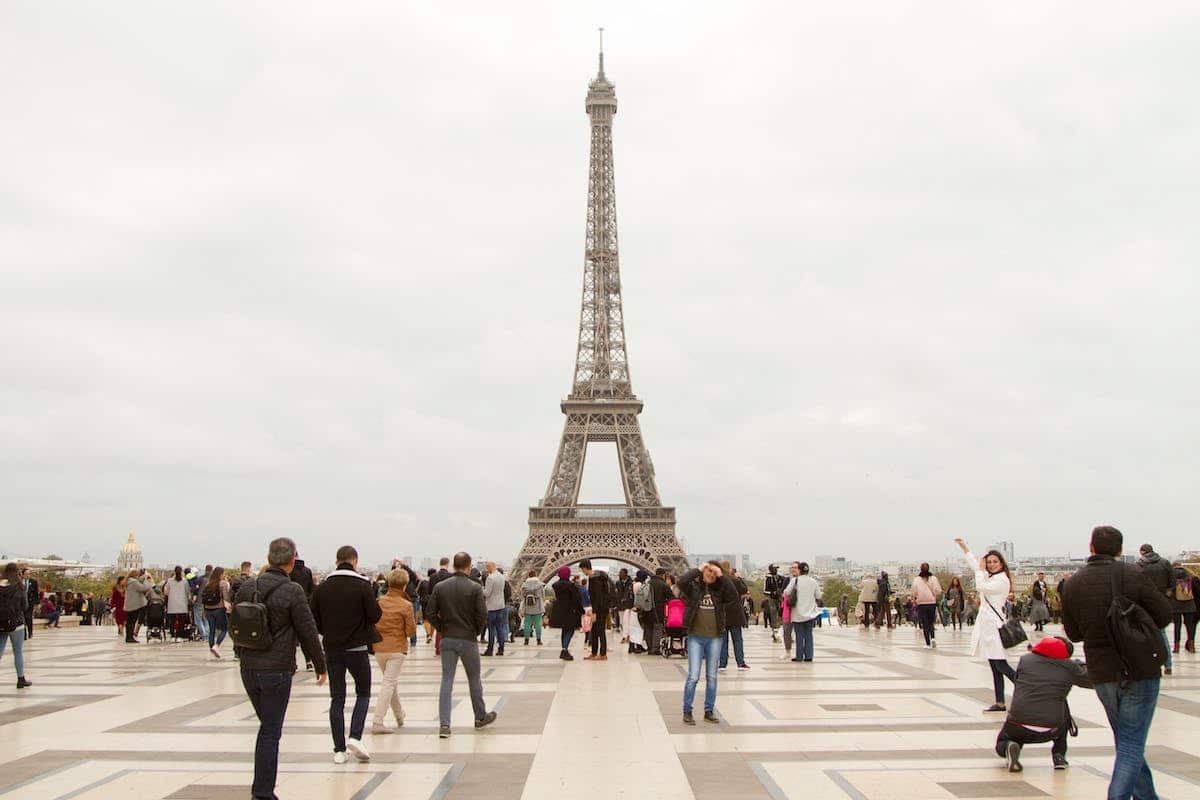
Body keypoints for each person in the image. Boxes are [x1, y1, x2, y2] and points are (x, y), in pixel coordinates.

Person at [1061, 526, 1172, 800]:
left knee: (1127, 742)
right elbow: (1164, 615)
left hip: (1102, 672)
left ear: (1091, 547)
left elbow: (1073, 634)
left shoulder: (1073, 583)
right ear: (1120, 550)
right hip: (1140, 668)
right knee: (1132, 744)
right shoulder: (1133, 574)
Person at [235, 537, 327, 800]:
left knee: (267, 727)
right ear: (292, 560)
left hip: (249, 667)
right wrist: (319, 664)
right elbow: (307, 631)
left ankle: (262, 788)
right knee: (270, 731)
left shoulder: (248, 587)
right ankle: (263, 792)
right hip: (276, 669)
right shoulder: (293, 590)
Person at [310, 545, 382, 764]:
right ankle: (355, 736)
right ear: (355, 561)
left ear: (337, 560)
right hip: (357, 648)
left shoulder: (323, 587)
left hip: (332, 648)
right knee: (363, 693)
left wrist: (328, 631)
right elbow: (375, 615)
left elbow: (314, 618)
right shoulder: (362, 585)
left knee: (337, 698)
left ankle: (339, 750)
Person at [424, 551, 496, 738]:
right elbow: (482, 615)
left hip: (448, 638)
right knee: (474, 679)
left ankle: (445, 725)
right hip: (468, 638)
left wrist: (442, 628)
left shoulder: (440, 587)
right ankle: (480, 716)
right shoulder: (474, 587)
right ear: (469, 566)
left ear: (454, 565)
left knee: (446, 680)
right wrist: (476, 631)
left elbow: (430, 613)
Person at [995, 636, 1091, 773]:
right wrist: (1078, 665)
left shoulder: (1025, 660)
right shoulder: (1070, 667)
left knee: (1003, 741)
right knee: (1061, 704)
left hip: (1018, 724)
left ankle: (1010, 746)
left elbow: (1018, 682)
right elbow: (1091, 680)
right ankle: (1059, 756)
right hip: (1051, 728)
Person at [954, 538, 1017, 712]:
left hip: (995, 627)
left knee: (1000, 664)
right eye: (989, 562)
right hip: (988, 626)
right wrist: (965, 548)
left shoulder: (1001, 580)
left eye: (995, 562)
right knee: (995, 666)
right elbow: (976, 567)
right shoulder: (992, 576)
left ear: (1001, 563)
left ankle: (1026, 689)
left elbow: (981, 585)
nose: (991, 565)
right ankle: (1000, 702)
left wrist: (981, 570)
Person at [678, 562, 737, 724]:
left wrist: (721, 575)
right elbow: (681, 582)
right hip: (696, 637)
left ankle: (708, 710)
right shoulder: (693, 589)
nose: (710, 574)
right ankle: (687, 711)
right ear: (703, 572)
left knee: (712, 676)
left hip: (715, 638)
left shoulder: (719, 591)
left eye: (713, 573)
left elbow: (733, 595)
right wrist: (698, 569)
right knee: (693, 676)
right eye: (708, 571)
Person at [372, 567, 415, 735]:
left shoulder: (379, 602)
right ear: (404, 585)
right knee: (389, 683)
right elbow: (410, 631)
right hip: (397, 648)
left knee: (391, 682)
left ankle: (399, 716)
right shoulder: (406, 605)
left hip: (379, 648)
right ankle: (377, 721)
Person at [1136, 543, 1175, 676]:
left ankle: (1149, 663)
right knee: (1162, 634)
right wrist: (1164, 598)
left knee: (1144, 635)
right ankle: (1168, 664)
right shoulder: (1165, 563)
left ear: (1142, 552)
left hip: (1145, 605)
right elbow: (1172, 583)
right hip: (1161, 602)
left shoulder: (1139, 565)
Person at [1, 563, 32, 689]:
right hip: (16, 623)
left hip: (0, 622)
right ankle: (20, 679)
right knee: (17, 651)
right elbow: (25, 606)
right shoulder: (20, 586)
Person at [784, 561, 820, 662]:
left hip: (797, 613)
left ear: (799, 570)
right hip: (810, 613)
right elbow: (818, 596)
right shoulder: (813, 581)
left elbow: (786, 592)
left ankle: (799, 656)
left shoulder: (795, 581)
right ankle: (809, 656)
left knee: (799, 635)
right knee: (809, 635)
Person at [718, 560, 750, 670]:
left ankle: (722, 663)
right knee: (737, 639)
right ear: (729, 568)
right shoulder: (734, 580)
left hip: (722, 614)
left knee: (723, 641)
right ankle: (740, 662)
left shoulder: (717, 581)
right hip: (735, 613)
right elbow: (744, 589)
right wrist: (739, 577)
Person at [549, 565, 583, 660]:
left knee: (564, 630)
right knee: (570, 630)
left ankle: (564, 649)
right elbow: (576, 600)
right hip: (569, 611)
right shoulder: (571, 586)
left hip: (559, 610)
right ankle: (564, 650)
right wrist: (581, 610)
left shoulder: (556, 586)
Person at [580, 560, 611, 661]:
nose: (582, 571)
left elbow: (597, 597)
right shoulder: (596, 577)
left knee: (600, 631)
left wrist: (594, 612)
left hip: (599, 609)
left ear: (585, 568)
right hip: (601, 608)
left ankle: (603, 654)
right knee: (594, 631)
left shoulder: (595, 579)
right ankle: (594, 653)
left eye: (582, 569)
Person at [201, 566, 231, 658]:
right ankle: (216, 646)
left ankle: (212, 647)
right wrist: (229, 607)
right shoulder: (223, 583)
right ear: (221, 574)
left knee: (212, 630)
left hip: (208, 609)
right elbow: (226, 597)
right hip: (219, 608)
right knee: (224, 629)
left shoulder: (208, 584)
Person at [911, 564, 943, 648]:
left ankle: (928, 643)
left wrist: (915, 598)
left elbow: (914, 591)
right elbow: (938, 590)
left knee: (924, 623)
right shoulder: (934, 579)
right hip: (932, 603)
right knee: (931, 622)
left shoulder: (917, 580)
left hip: (921, 603)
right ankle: (933, 638)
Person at [1171, 562, 1197, 653]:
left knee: (1177, 626)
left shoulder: (1171, 576)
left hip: (1175, 604)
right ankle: (1192, 646)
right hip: (1190, 604)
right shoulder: (1191, 576)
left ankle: (1176, 647)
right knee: (1190, 626)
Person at [482, 561, 507, 657]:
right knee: (500, 627)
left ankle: (490, 649)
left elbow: (487, 593)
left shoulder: (490, 578)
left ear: (490, 567)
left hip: (492, 606)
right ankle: (501, 649)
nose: (486, 569)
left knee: (491, 628)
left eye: (487, 567)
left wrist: (481, 589)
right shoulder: (501, 576)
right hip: (500, 605)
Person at [429, 557, 451, 655]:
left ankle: (438, 648)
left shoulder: (433, 576)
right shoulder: (450, 576)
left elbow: (430, 591)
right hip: (448, 604)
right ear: (447, 564)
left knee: (439, 628)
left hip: (436, 604)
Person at [124, 569, 153, 643]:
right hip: (134, 604)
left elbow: (139, 581)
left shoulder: (129, 581)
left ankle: (128, 636)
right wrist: (148, 581)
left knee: (129, 621)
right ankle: (130, 637)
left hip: (129, 604)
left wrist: (143, 577)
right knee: (132, 621)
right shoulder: (134, 582)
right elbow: (143, 588)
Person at [646, 568, 671, 654]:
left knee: (648, 628)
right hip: (658, 610)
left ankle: (649, 648)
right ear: (663, 575)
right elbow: (671, 597)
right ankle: (655, 649)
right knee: (657, 628)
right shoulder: (663, 585)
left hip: (646, 609)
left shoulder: (648, 583)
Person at [164, 566, 192, 641]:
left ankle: (173, 635)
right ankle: (180, 636)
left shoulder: (169, 581)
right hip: (182, 603)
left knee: (172, 621)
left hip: (172, 603)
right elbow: (187, 592)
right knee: (181, 621)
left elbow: (166, 591)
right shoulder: (185, 581)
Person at [521, 570, 545, 646]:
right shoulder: (539, 584)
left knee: (527, 624)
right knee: (538, 624)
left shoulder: (524, 585)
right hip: (537, 606)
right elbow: (543, 595)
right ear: (535, 575)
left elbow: (522, 595)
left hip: (528, 606)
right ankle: (538, 640)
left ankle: (526, 640)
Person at [763, 564, 785, 641]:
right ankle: (775, 632)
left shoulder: (780, 577)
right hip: (772, 598)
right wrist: (773, 592)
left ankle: (778, 631)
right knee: (773, 615)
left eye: (776, 569)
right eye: (774, 569)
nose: (776, 570)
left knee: (780, 614)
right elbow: (765, 591)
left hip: (780, 598)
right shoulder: (768, 578)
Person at [615, 568, 635, 644]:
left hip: (628, 605)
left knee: (628, 622)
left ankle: (626, 636)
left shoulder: (631, 583)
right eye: (619, 573)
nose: (619, 574)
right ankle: (625, 636)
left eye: (621, 573)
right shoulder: (618, 583)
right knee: (622, 622)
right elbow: (617, 593)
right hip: (620, 605)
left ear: (626, 574)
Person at [418, 569, 435, 644]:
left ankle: (428, 635)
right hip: (434, 601)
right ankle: (431, 635)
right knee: (433, 620)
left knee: (426, 619)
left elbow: (418, 592)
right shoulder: (436, 582)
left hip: (425, 602)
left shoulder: (423, 582)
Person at [20, 567, 37, 640]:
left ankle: (30, 632)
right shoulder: (19, 582)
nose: (27, 575)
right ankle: (24, 634)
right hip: (21, 603)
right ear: (23, 574)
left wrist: (36, 603)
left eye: (29, 574)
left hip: (30, 602)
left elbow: (36, 593)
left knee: (28, 618)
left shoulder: (33, 582)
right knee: (22, 618)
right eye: (26, 574)